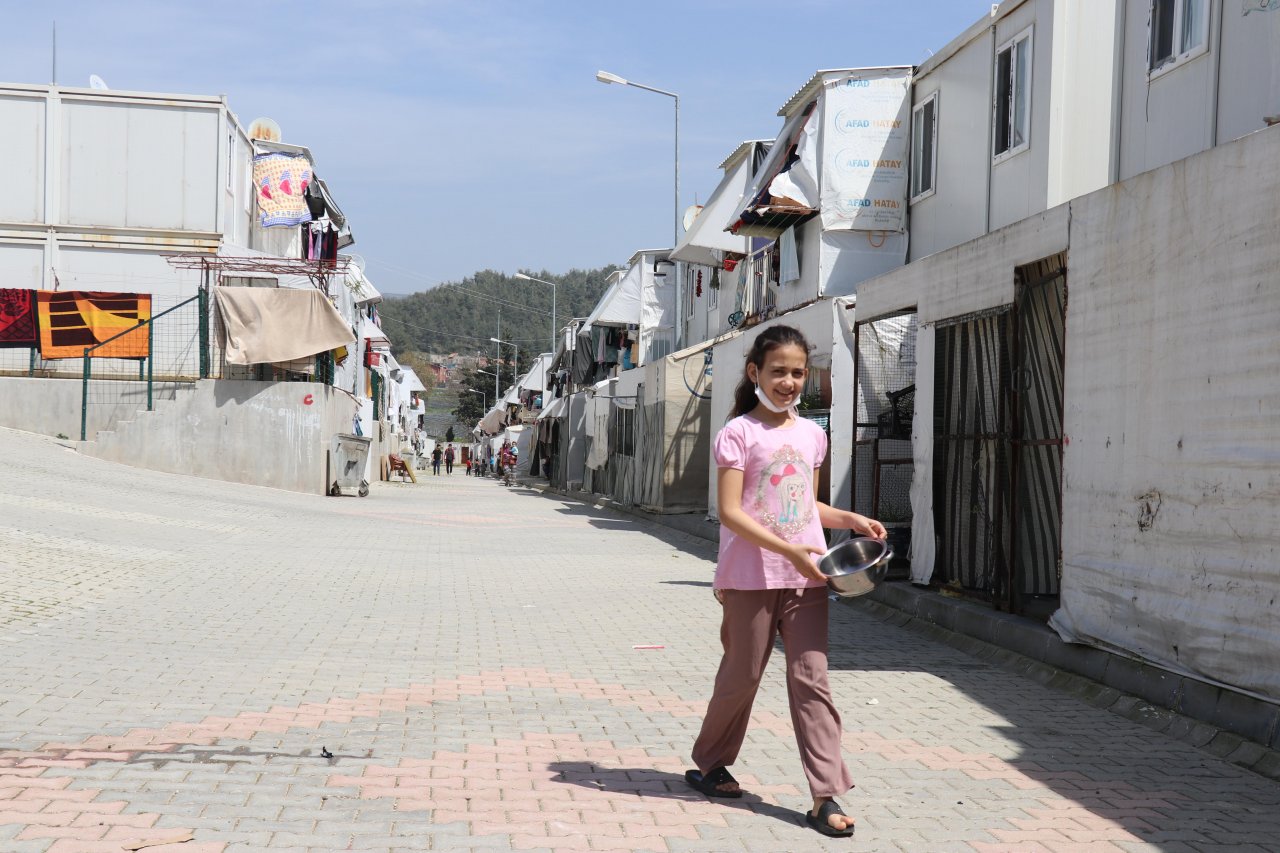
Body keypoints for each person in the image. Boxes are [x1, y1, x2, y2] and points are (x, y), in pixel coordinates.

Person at [684, 324, 886, 839]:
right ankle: (710, 762)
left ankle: (824, 795)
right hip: (750, 577)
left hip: (808, 578)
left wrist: (851, 520)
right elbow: (731, 513)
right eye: (778, 371)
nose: (789, 381)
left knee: (811, 680)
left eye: (798, 372)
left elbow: (805, 504)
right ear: (755, 373)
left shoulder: (813, 434)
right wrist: (787, 550)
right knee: (742, 676)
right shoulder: (738, 434)